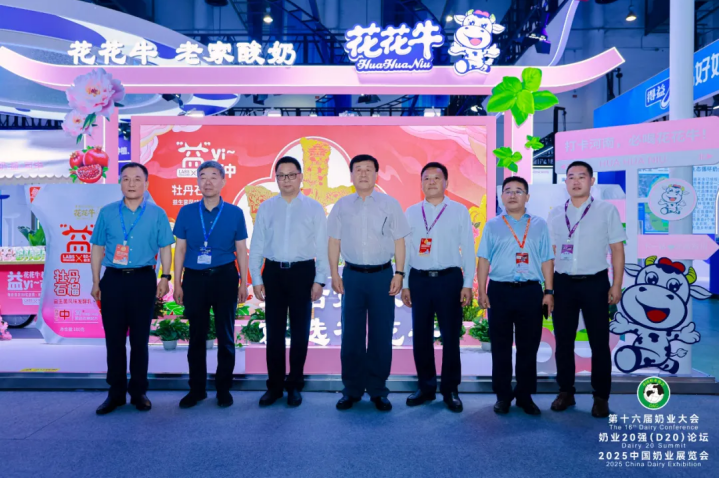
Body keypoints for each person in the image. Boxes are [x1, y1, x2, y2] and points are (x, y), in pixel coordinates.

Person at [328, 154, 410, 411]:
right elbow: (334, 242)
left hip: (382, 276)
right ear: (351, 175)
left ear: (376, 174)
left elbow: (400, 241)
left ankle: (378, 390)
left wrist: (399, 273)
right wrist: (334, 274)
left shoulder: (390, 204)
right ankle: (351, 390)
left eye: (368, 169)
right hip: (352, 276)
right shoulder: (341, 205)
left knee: (381, 334)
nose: (363, 173)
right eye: (358, 169)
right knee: (351, 335)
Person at [90, 162, 174, 415]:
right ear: (120, 183)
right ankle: (115, 394)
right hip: (113, 280)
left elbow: (165, 247)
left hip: (143, 280)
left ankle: (139, 392)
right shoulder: (107, 212)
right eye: (126, 179)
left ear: (146, 184)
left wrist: (165, 277)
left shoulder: (157, 213)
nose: (132, 184)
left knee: (139, 341)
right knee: (114, 340)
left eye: (137, 179)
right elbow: (97, 247)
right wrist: (96, 281)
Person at [547, 161, 626, 418]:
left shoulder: (606, 210)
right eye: (571, 177)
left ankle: (601, 397)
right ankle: (566, 392)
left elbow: (617, 249)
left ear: (592, 181)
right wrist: (549, 290)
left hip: (595, 283)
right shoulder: (556, 214)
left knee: (599, 343)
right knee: (563, 341)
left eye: (582, 176)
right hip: (563, 284)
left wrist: (616, 284)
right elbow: (550, 254)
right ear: (565, 182)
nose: (576, 181)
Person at [250, 156, 329, 407]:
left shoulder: (314, 208)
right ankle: (274, 386)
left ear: (300, 177)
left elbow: (323, 246)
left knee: (300, 332)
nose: (286, 180)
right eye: (281, 175)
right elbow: (257, 245)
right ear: (276, 179)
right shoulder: (266, 207)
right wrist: (256, 278)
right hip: (273, 272)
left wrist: (319, 280)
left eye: (291, 175)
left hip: (302, 273)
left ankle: (294, 384)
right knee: (273, 332)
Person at [173, 161, 249, 409]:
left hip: (225, 277)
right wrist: (177, 282)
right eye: (203, 176)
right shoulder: (186, 212)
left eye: (213, 177)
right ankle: (196, 390)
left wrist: (244, 282)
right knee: (196, 336)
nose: (208, 182)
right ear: (197, 181)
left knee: (226, 335)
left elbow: (241, 250)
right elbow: (180, 249)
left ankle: (223, 389)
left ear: (223, 181)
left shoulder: (235, 213)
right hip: (194, 279)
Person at [477, 176, 554, 415]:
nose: (512, 195)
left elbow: (547, 260)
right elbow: (483, 259)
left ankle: (524, 396)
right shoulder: (492, 225)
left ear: (527, 197)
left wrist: (549, 291)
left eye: (518, 191)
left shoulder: (539, 225)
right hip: (499, 291)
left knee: (528, 347)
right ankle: (502, 396)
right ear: (502, 197)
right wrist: (482, 290)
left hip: (530, 291)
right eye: (508, 191)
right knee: (500, 347)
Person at [401, 162, 475, 413]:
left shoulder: (459, 211)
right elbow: (406, 250)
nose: (431, 182)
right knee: (421, 336)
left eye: (436, 177)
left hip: (449, 279)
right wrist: (405, 283)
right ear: (421, 183)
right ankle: (426, 387)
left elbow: (468, 248)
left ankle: (450, 389)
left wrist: (467, 284)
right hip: (419, 280)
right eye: (426, 178)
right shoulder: (411, 212)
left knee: (451, 336)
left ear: (446, 183)